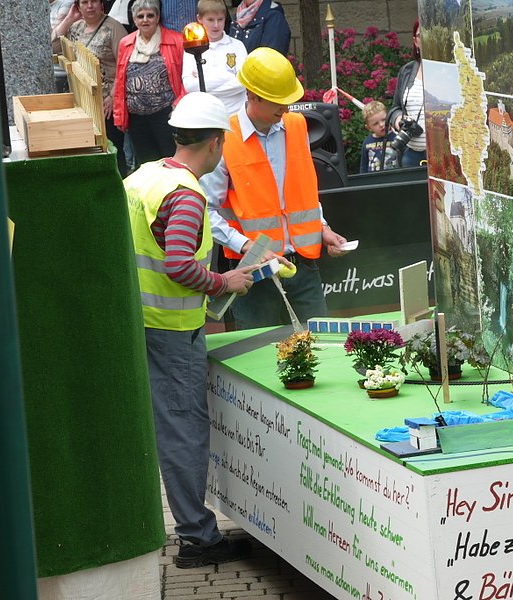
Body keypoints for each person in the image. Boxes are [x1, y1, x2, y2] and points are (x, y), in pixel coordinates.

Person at [124, 92, 254, 568]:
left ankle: (194, 530)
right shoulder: (186, 194)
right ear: (216, 143)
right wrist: (225, 280)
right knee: (183, 432)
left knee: (169, 429)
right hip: (173, 331)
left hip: (142, 322)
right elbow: (180, 263)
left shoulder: (143, 177)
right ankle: (198, 539)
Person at [201, 47, 349, 330]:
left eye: (287, 101)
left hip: (304, 266)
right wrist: (245, 245)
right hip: (252, 271)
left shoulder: (296, 126)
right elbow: (207, 211)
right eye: (277, 103)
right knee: (257, 356)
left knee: (322, 349)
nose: (284, 109)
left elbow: (302, 194)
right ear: (251, 96)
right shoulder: (225, 139)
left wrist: (323, 229)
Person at [53, 0, 128, 175]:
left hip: (105, 103)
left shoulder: (113, 28)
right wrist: (69, 19)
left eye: (94, 1)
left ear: (101, 4)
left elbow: (123, 64)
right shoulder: (76, 27)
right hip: (81, 101)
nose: (90, 6)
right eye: (84, 2)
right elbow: (54, 45)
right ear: (78, 6)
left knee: (112, 149)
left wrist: (112, 97)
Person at [113, 0, 186, 166]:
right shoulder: (125, 43)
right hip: (136, 119)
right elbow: (120, 82)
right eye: (140, 16)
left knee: (171, 162)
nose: (145, 20)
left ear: (158, 17)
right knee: (147, 165)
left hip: (166, 116)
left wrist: (177, 105)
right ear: (134, 18)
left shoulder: (176, 41)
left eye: (150, 15)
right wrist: (120, 116)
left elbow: (186, 79)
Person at [182, 0, 248, 115]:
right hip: (207, 115)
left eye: (220, 19)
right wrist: (227, 77)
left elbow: (243, 82)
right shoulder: (192, 49)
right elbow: (189, 86)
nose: (216, 25)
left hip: (235, 114)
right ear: (199, 19)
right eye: (211, 20)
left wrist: (205, 89)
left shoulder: (237, 46)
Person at [386, 19, 427, 168]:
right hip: (412, 155)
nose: (426, 38)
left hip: (443, 155)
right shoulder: (407, 71)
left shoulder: (449, 71)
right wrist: (399, 120)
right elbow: (395, 108)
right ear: (415, 41)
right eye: (421, 35)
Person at [359, 100, 397, 173]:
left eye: (383, 120)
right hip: (374, 181)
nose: (381, 125)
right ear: (369, 128)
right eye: (375, 123)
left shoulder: (396, 137)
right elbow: (363, 166)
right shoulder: (367, 143)